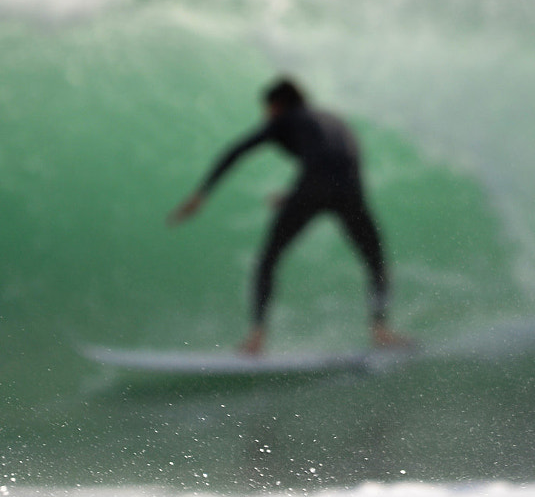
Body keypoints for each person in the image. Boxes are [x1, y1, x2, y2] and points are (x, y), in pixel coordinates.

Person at [169, 77, 412, 356]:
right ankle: (381, 329)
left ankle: (256, 338)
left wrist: (202, 193)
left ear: (277, 105)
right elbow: (337, 158)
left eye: (267, 108)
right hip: (350, 189)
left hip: (314, 186)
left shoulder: (284, 119)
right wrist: (298, 194)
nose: (266, 115)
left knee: (268, 259)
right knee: (375, 260)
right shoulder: (331, 118)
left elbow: (237, 150)